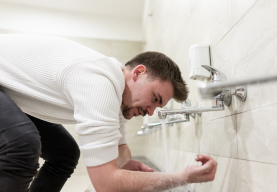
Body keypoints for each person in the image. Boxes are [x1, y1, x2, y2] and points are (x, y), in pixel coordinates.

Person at [0, 34, 217, 192]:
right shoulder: (99, 82)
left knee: (64, 153)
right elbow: (105, 185)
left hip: (8, 90)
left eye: (157, 107)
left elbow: (120, 146)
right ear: (139, 73)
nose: (150, 112)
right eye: (155, 99)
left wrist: (123, 166)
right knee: (21, 143)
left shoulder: (115, 93)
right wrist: (183, 177)